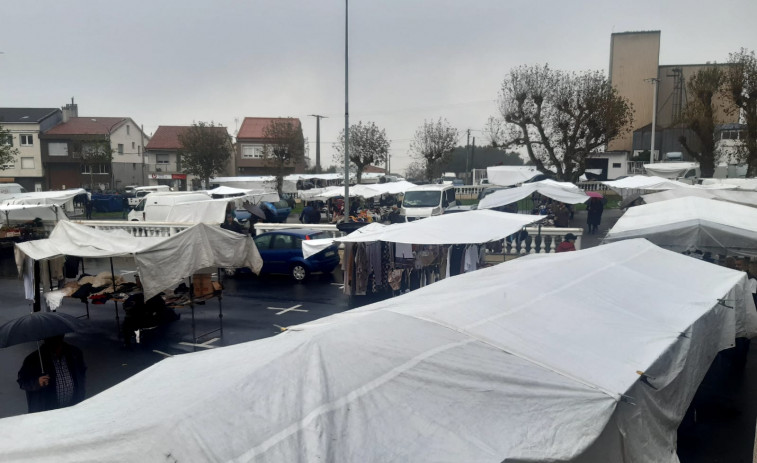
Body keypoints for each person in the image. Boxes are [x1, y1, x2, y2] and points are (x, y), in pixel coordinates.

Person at [17, 334, 87, 413]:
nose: (54, 343)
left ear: (62, 337)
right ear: (45, 340)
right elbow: (23, 381)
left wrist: (81, 391)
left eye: (57, 339)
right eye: (51, 340)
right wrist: (37, 382)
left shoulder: (74, 353)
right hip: (47, 412)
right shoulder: (34, 359)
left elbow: (82, 371)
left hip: (73, 406)